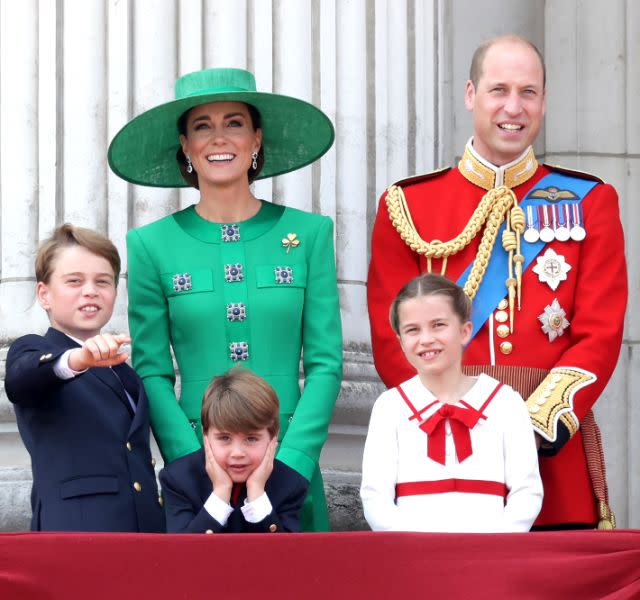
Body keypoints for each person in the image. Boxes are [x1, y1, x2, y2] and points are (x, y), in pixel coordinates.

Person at [367, 35, 627, 529]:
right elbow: (390, 333)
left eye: (529, 92)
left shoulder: (590, 201)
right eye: (498, 90)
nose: (514, 107)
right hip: (439, 452)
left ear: (544, 101)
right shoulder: (407, 206)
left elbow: (600, 332)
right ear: (470, 95)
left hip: (550, 453)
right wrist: (451, 417)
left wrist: (536, 422)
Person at [108, 67, 342, 532]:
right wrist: (193, 462)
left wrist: (292, 459)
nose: (220, 138)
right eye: (202, 126)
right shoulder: (150, 244)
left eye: (234, 122)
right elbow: (151, 369)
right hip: (198, 470)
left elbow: (326, 363)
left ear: (256, 138)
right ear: (186, 145)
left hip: (288, 458)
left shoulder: (311, 234)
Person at [4, 224, 165, 532]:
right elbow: (21, 380)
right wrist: (78, 360)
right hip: (75, 533)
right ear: (44, 293)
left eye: (102, 282)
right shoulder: (35, 349)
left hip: (144, 535)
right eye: (74, 281)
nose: (90, 290)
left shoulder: (124, 371)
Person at [361, 273, 542, 532]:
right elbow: (375, 496)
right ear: (401, 342)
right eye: (413, 330)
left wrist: (495, 545)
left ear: (464, 331)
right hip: (414, 559)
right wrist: (411, 545)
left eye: (438, 325)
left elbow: (527, 491)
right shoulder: (390, 407)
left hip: (492, 557)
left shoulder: (505, 403)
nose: (426, 339)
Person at [160, 368, 307, 533]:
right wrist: (220, 493)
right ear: (205, 435)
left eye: (251, 439)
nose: (237, 453)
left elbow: (284, 555)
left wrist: (257, 493)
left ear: (273, 436)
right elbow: (181, 554)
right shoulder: (179, 479)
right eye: (224, 438)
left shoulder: (290, 483)